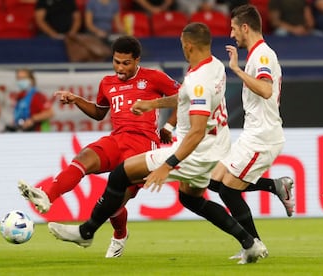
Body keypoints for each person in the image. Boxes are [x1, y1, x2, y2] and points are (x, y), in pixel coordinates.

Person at [46, 22, 268, 265]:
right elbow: (184, 97)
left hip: (196, 151)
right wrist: (152, 105)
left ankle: (86, 232)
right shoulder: (214, 66)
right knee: (191, 199)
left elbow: (195, 131)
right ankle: (250, 243)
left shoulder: (198, 80)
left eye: (182, 45)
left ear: (188, 45)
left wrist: (168, 165)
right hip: (216, 147)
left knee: (120, 175)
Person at [18, 35, 179, 258]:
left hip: (143, 146)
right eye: (116, 62)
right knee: (84, 156)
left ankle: (120, 234)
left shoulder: (153, 77)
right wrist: (76, 99)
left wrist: (170, 125)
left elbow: (183, 97)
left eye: (126, 63)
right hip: (117, 138)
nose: (120, 68)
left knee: (114, 200)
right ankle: (48, 196)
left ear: (137, 60)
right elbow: (99, 112)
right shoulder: (107, 83)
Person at [207, 4, 293, 260]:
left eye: (234, 28)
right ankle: (275, 186)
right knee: (214, 181)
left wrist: (236, 70)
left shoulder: (263, 55)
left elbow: (266, 90)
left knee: (228, 191)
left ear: (245, 27)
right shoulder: (256, 54)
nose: (232, 34)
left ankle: (254, 246)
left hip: (263, 136)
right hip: (253, 134)